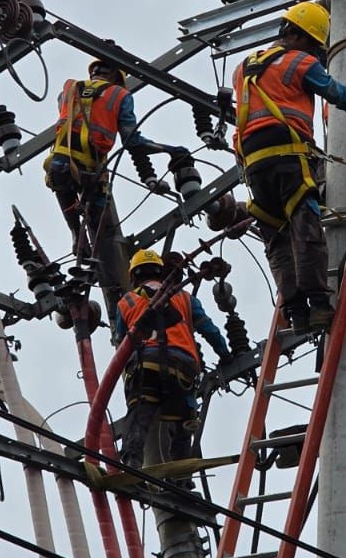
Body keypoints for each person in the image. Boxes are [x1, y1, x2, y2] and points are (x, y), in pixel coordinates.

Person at [233, 1, 346, 333]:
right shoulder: (300, 62)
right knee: (305, 226)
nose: (316, 53)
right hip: (288, 155)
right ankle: (318, 304)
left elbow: (242, 116)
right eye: (314, 45)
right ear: (298, 35)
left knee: (277, 236)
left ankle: (296, 311)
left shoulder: (244, 67)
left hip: (253, 164)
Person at [45, 57, 184, 262]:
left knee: (64, 191)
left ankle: (76, 236)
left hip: (59, 165)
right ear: (117, 77)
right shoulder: (120, 95)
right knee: (106, 233)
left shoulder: (69, 89)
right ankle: (102, 260)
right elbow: (132, 141)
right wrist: (171, 150)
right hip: (90, 171)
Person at [114, 249, 232, 472]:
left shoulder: (126, 302)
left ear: (133, 277)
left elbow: (122, 346)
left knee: (139, 414)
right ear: (160, 272)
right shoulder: (184, 297)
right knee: (183, 422)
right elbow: (209, 330)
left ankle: (132, 462)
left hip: (146, 365)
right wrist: (225, 355)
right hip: (182, 367)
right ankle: (182, 477)